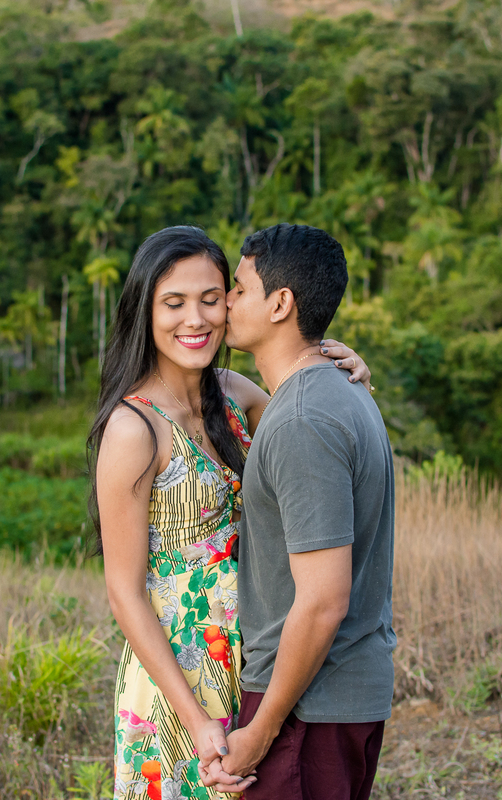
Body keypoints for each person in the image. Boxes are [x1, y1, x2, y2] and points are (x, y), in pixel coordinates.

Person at [89, 225, 373, 800]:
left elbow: (310, 449)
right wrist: (195, 719)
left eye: (211, 298)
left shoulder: (237, 393)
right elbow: (125, 592)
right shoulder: (133, 427)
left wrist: (347, 374)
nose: (195, 319)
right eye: (173, 303)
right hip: (180, 672)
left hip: (254, 653)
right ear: (144, 310)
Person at [201, 223, 396, 800]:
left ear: (281, 303)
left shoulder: (303, 418)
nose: (225, 303)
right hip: (336, 697)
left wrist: (259, 733)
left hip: (308, 703)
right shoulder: (342, 389)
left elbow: (322, 599)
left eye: (238, 288)